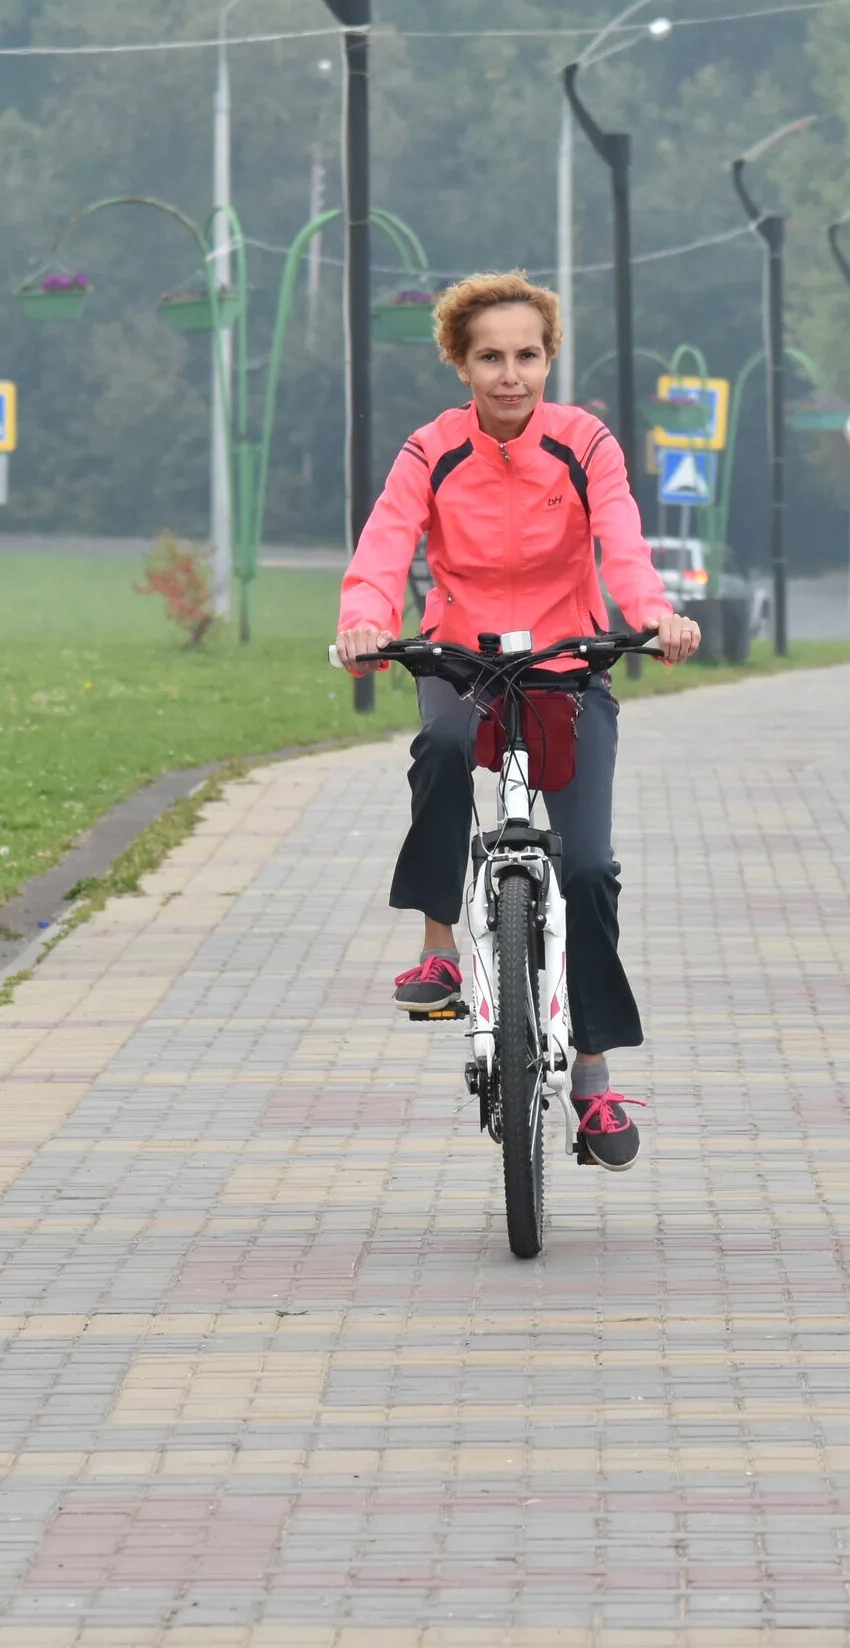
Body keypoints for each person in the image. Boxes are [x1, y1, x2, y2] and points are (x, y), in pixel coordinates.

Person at [336, 271, 699, 1171]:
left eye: (527, 356)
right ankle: (439, 951)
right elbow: (387, 540)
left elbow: (621, 534)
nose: (511, 375)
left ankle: (594, 1079)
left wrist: (653, 613)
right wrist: (364, 619)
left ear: (549, 359)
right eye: (490, 358)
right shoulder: (431, 449)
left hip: (568, 664)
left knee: (588, 869)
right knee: (445, 743)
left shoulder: (585, 443)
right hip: (462, 655)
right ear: (461, 365)